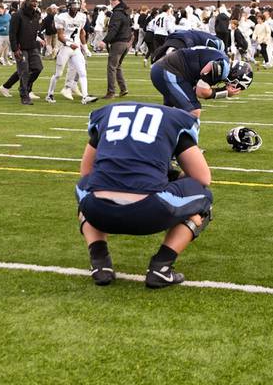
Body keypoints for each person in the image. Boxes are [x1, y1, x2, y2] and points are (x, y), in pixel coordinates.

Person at [76, 101, 213, 288]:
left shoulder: (106, 116)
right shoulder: (176, 121)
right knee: (203, 196)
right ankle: (162, 266)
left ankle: (99, 262)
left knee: (86, 187)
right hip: (149, 211)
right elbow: (202, 177)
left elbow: (86, 171)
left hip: (98, 211)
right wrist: (172, 176)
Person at [150, 46, 251, 118]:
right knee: (194, 111)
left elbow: (194, 91)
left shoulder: (222, 59)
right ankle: (188, 147)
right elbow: (201, 92)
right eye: (235, 85)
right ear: (235, 77)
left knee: (169, 112)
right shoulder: (223, 68)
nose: (229, 85)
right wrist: (225, 92)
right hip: (169, 71)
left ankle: (159, 142)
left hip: (167, 68)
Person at [45, 0, 98, 105]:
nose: (75, 7)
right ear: (68, 6)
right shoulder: (61, 17)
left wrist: (85, 48)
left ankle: (85, 96)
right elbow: (60, 36)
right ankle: (49, 94)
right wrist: (69, 43)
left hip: (76, 48)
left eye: (77, 5)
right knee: (58, 74)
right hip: (65, 48)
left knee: (82, 72)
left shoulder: (82, 16)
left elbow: (82, 33)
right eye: (73, 5)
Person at [9, 0, 43, 105]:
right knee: (24, 71)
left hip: (33, 47)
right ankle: (24, 96)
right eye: (33, 1)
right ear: (27, 2)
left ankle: (24, 87)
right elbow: (12, 34)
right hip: (21, 48)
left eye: (36, 1)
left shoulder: (36, 15)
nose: (35, 3)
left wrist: (40, 40)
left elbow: (35, 32)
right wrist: (15, 49)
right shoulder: (17, 15)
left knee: (38, 68)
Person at [101, 0, 132, 99]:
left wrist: (104, 41)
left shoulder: (118, 13)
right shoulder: (124, 12)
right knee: (117, 66)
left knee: (111, 67)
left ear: (119, 0)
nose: (111, 1)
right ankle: (123, 89)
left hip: (118, 43)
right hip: (125, 43)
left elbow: (114, 30)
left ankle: (111, 92)